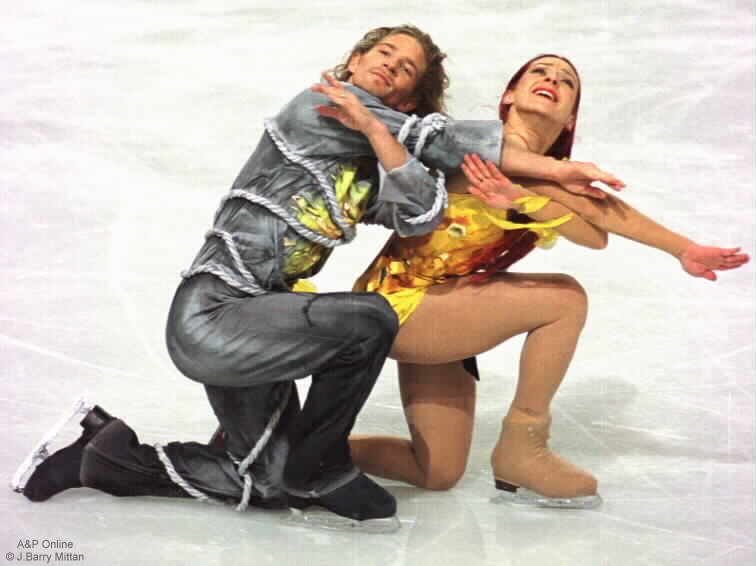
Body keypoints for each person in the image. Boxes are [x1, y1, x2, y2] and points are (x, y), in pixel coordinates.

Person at [13, 31, 623, 529]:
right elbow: (435, 140)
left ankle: (101, 456)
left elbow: (420, 212)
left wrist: (381, 136)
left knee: (264, 483)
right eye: (383, 53)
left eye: (406, 70)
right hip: (214, 313)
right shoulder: (316, 106)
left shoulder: (366, 157)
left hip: (262, 322)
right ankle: (322, 466)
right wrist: (557, 170)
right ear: (352, 62)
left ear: (408, 98)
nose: (390, 66)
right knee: (369, 320)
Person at [349, 54, 749, 509]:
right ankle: (523, 446)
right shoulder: (476, 147)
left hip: (436, 307)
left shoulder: (541, 175)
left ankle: (310, 445)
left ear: (570, 116)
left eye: (566, 82)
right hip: (398, 304)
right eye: (539, 72)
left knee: (436, 470)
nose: (552, 80)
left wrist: (684, 249)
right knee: (564, 298)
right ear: (509, 95)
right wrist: (678, 247)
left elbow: (594, 232)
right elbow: (588, 220)